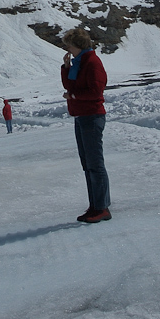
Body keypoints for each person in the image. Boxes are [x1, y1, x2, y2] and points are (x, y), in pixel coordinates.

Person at [61, 27, 111, 224]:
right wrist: (66, 67)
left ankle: (101, 207)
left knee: (95, 164)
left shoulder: (92, 62)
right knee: (88, 164)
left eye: (69, 45)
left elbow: (96, 91)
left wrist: (73, 96)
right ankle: (95, 205)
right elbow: (69, 86)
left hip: (91, 116)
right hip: (81, 116)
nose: (67, 48)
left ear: (78, 45)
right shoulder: (78, 62)